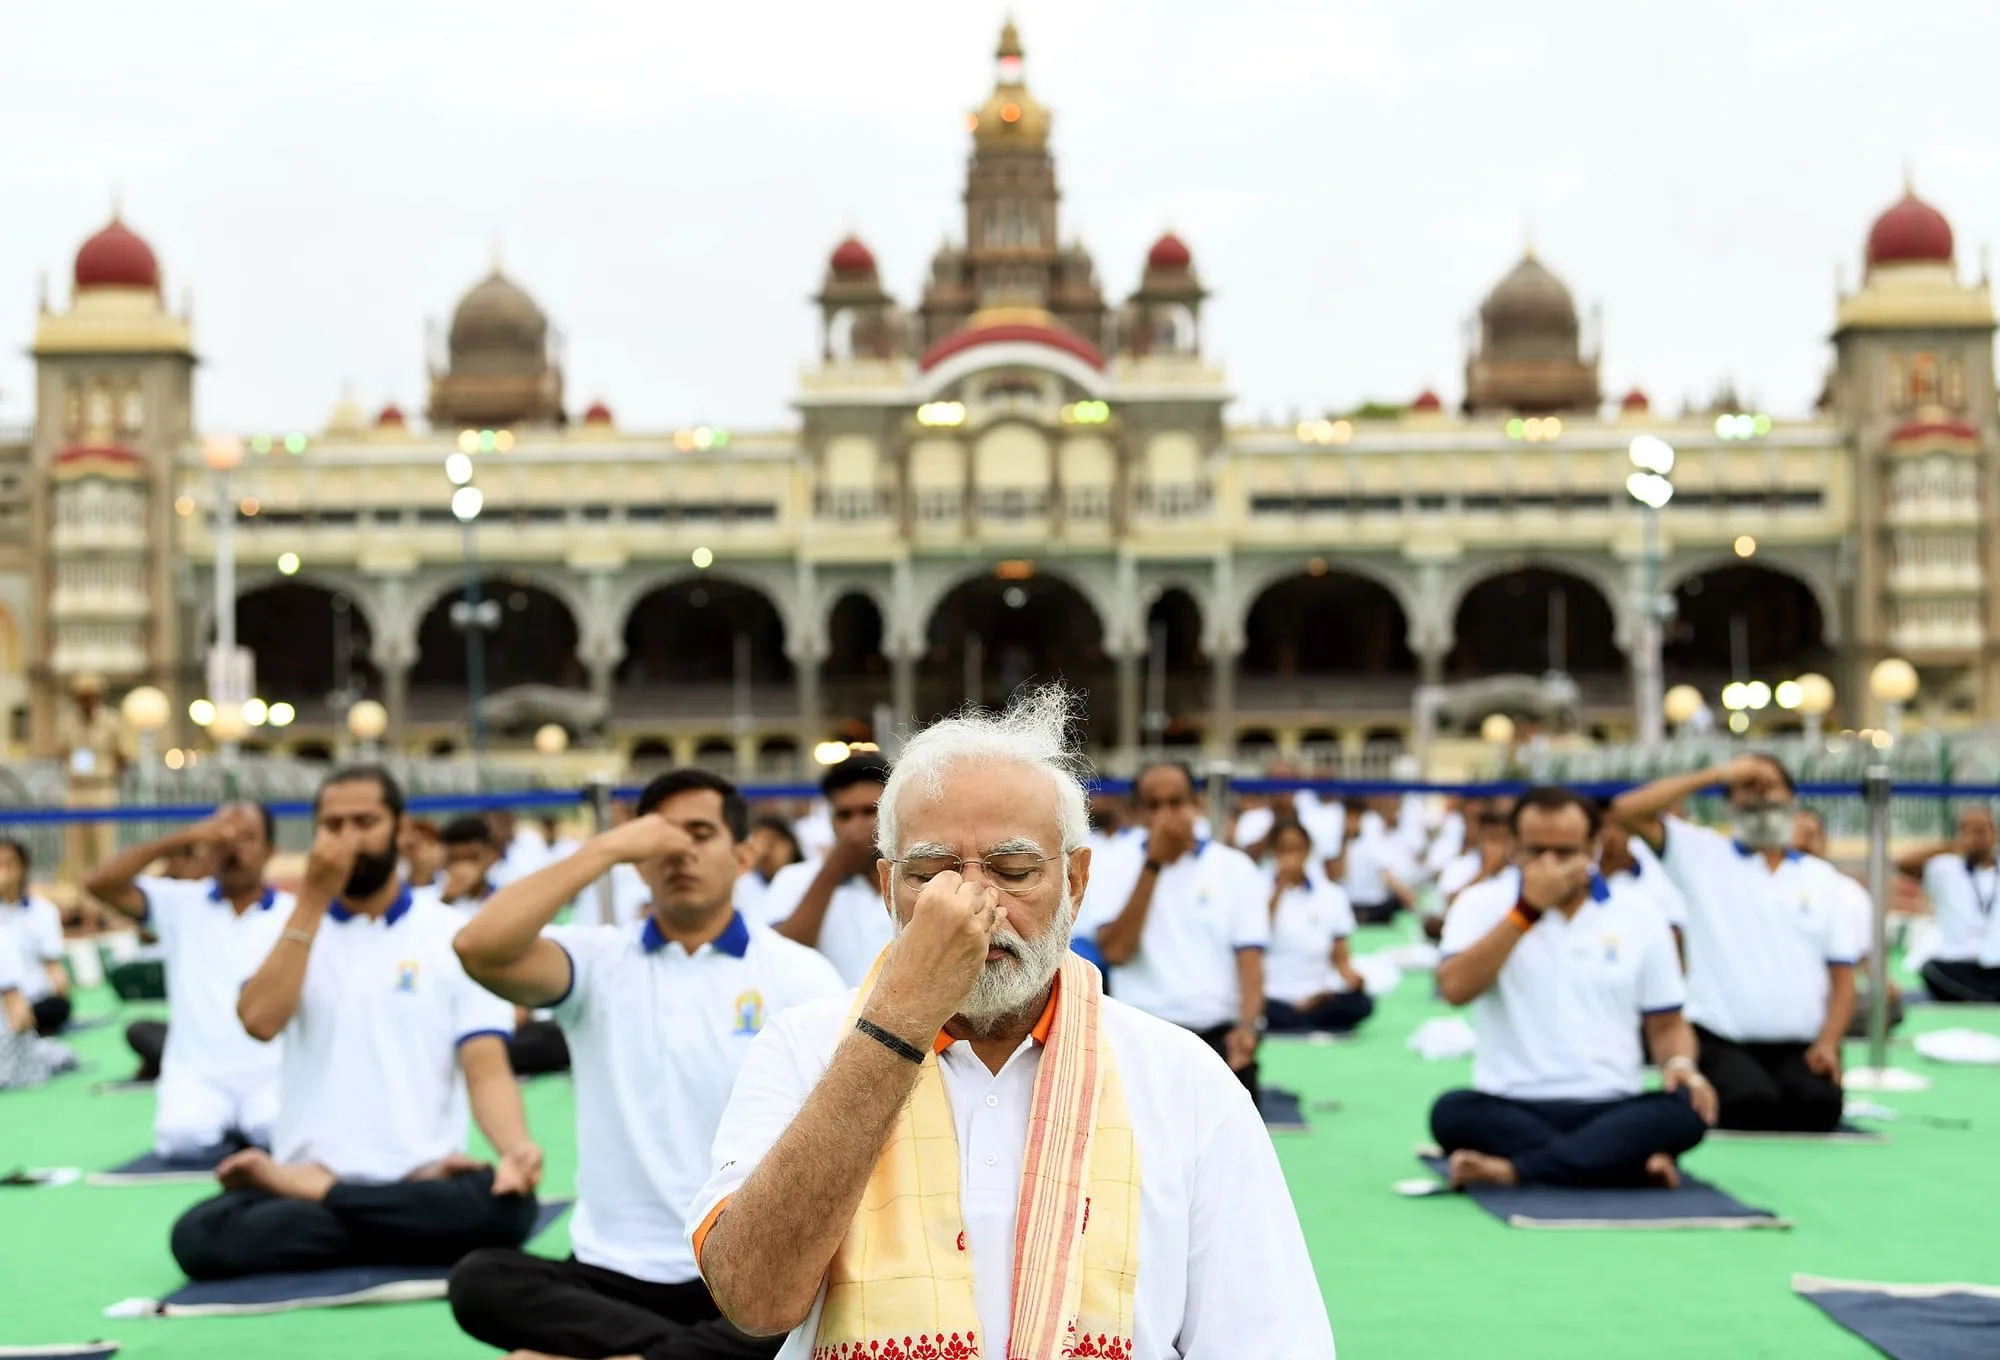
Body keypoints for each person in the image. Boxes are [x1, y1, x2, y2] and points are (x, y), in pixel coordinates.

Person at [686, 686, 1335, 1358]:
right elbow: (755, 1301)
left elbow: (1267, 1340)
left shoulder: (1185, 1082)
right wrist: (902, 1015)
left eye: (1014, 869)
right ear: (887, 888)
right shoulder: (804, 1047)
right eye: (932, 874)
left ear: (1075, 883)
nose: (974, 902)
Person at [447, 769, 843, 1360]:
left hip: (737, 1266)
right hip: (611, 1273)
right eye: (660, 837)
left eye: (699, 833)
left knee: (808, 1306)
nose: (677, 851)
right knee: (479, 1281)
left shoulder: (796, 972)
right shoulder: (599, 959)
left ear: (742, 854)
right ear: (637, 858)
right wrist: (606, 846)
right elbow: (479, 947)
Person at [167, 766, 541, 1281]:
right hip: (306, 1180)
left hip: (417, 1178)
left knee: (507, 1208)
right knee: (199, 1234)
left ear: (400, 829)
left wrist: (513, 1150)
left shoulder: (454, 936)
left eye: (364, 822)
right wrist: (313, 901)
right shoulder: (282, 931)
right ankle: (388, 1225)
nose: (348, 839)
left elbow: (487, 1070)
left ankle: (338, 1203)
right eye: (333, 825)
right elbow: (259, 1021)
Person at [1431, 787, 1714, 1188]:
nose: (1550, 864)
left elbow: (1667, 1024)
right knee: (1451, 1113)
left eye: (1565, 852)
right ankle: (1623, 1165)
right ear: (1513, 847)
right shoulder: (1480, 904)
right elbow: (1454, 989)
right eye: (1535, 851)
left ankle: (1515, 1171)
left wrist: (1681, 1066)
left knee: (1686, 1111)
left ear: (1594, 847)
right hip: (1511, 1102)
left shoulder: (1641, 914)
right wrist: (1527, 910)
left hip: (1612, 1103)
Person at [1611, 755, 1858, 1132]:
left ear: (1792, 799)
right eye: (1746, 788)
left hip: (1799, 1043)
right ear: (1729, 803)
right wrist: (1720, 772)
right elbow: (1627, 809)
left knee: (1818, 1109)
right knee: (1749, 1104)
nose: (1759, 796)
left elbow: (1842, 977)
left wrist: (1828, 1043)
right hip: (1720, 1037)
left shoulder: (1822, 879)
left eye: (1769, 786)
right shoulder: (1700, 854)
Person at [83, 806, 292, 1153]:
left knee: (276, 1132)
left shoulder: (293, 913)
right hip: (198, 1073)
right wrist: (184, 837)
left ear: (270, 850)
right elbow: (99, 883)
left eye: (247, 838)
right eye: (223, 838)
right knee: (182, 1140)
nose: (234, 849)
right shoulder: (179, 903)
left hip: (271, 1072)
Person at [1080, 761, 1268, 1096]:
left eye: (1176, 802)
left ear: (1196, 804)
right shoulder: (1112, 865)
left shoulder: (1234, 868)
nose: (1166, 815)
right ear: (1137, 813)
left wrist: (1248, 1027)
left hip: (1219, 1035)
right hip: (1140, 1039)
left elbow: (1250, 959)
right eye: (1154, 806)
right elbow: (1115, 952)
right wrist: (1153, 864)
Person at [759, 754, 894, 986]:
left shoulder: (917, 877)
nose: (856, 826)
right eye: (845, 815)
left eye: (870, 812)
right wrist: (833, 870)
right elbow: (779, 960)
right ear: (831, 819)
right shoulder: (794, 879)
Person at [1795, 808, 1902, 1033]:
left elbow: (1866, 957)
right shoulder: (1759, 889)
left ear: (1824, 841)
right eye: (1797, 835)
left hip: (1831, 998)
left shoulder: (1847, 893)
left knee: (1887, 1007)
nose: (1804, 843)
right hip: (1777, 996)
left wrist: (1883, 984)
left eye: (1811, 836)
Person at [1262, 819, 1373, 1035]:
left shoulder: (1331, 895)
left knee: (1362, 1003)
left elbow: (1342, 959)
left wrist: (1355, 980)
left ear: (1307, 851)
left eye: (1297, 849)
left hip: (1317, 995)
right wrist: (1280, 889)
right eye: (1283, 850)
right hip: (1272, 996)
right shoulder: (1256, 888)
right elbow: (1256, 940)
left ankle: (1298, 1019)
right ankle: (1296, 1018)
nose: (1290, 857)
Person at [1897, 805, 2000, 1003]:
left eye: (1982, 830)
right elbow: (1903, 864)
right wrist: (1954, 846)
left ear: (1994, 832)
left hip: (1996, 964)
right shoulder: (1943, 867)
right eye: (1969, 830)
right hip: (1957, 964)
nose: (1978, 837)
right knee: (1931, 969)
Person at [55, 673, 124, 887]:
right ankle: (79, 895)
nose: (86, 701)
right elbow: (60, 752)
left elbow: (122, 755)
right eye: (82, 697)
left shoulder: (111, 721)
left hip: (102, 787)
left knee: (104, 845)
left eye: (90, 696)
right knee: (76, 849)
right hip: (76, 788)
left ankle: (104, 895)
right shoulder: (66, 722)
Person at [0, 838, 73, 1035]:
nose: (3, 872)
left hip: (32, 998)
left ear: (23, 867)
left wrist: (59, 983)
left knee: (58, 1007)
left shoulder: (42, 910)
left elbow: (52, 963)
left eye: (9, 864)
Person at [1341, 795, 1420, 924]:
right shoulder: (1369, 829)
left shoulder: (1369, 836)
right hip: (1368, 908)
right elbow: (1386, 874)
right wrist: (1412, 904)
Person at [440, 815, 504, 910]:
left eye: (473, 858)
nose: (464, 867)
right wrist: (447, 899)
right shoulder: (429, 897)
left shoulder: (505, 897)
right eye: (456, 859)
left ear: (492, 856)